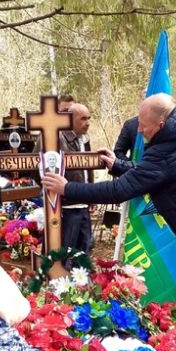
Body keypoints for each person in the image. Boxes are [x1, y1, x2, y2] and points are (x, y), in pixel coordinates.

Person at [42, 93, 176, 331]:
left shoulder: (164, 152)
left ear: (161, 124)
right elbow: (154, 172)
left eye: (143, 125)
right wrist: (119, 165)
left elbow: (119, 191)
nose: (139, 130)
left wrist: (67, 187)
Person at [59, 103, 95, 258]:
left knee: (85, 248)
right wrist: (55, 196)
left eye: (89, 118)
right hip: (68, 205)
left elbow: (88, 168)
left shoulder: (84, 139)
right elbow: (38, 168)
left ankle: (82, 280)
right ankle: (65, 281)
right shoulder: (58, 139)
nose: (87, 123)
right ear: (70, 119)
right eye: (83, 119)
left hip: (84, 202)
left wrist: (92, 194)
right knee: (68, 249)